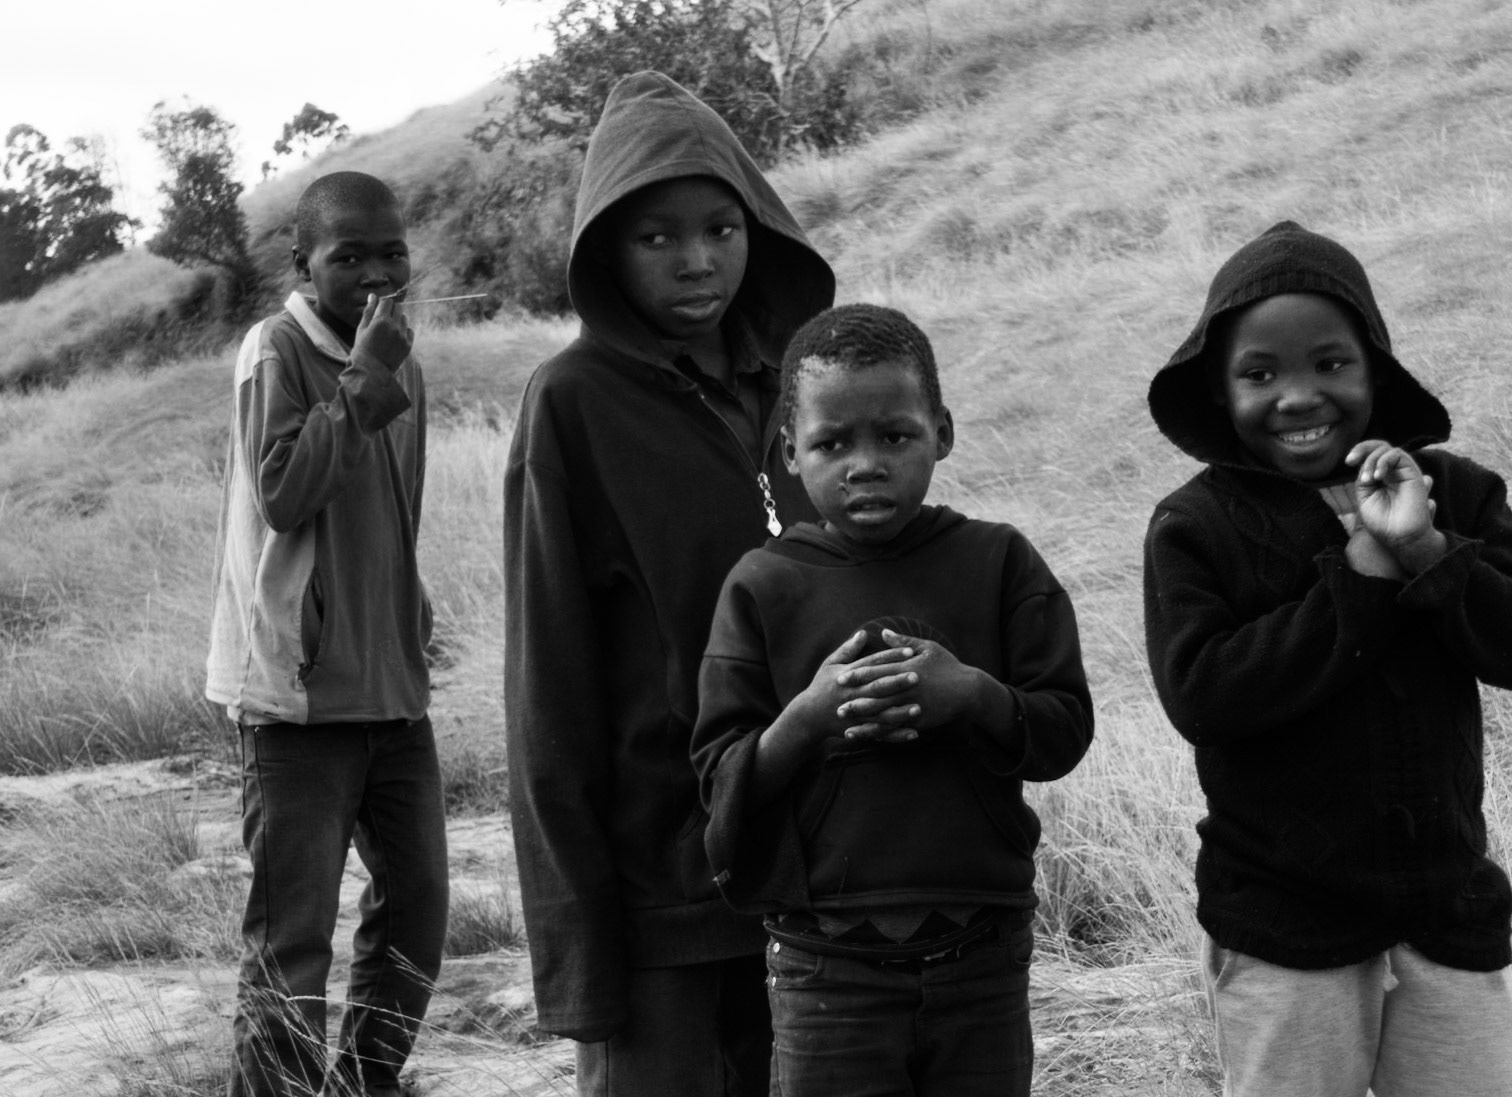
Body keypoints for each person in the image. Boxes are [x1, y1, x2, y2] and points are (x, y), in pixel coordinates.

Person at [1142, 220, 1512, 1096]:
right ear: (1219, 393)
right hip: (1284, 930)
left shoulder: (1460, 493)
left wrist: (1427, 548)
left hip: (1446, 911)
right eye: (1260, 373)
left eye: (1331, 363)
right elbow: (1204, 693)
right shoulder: (1196, 526)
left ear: (1376, 368)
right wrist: (1363, 572)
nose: (1299, 395)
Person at [503, 71, 835, 1096]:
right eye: (657, 237)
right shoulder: (571, 404)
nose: (698, 260)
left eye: (721, 227)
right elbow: (547, 691)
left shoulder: (803, 389)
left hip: (816, 871)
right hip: (659, 886)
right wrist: (577, 948)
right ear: (606, 248)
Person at [691, 303, 1095, 1097]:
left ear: (942, 431)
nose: (865, 463)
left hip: (981, 950)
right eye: (833, 442)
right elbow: (718, 774)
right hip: (826, 966)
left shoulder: (999, 562)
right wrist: (808, 717)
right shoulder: (763, 585)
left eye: (895, 435)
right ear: (789, 452)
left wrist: (972, 694)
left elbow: (1064, 729)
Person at [205, 169, 448, 1097]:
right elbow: (285, 492)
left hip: (390, 685)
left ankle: (364, 1083)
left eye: (392, 251)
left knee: (420, 905)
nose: (376, 272)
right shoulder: (276, 348)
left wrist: (408, 617)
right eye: (349, 255)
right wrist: (366, 376)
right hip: (295, 695)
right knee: (292, 939)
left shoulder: (402, 364)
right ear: (302, 262)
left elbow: (398, 511)